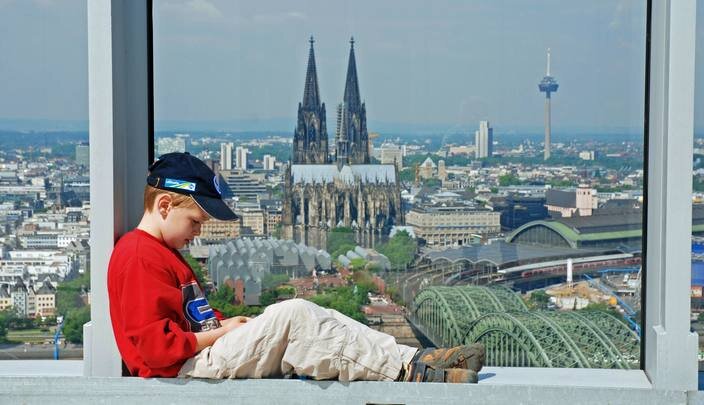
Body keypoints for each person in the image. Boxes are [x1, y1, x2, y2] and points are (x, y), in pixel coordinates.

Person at [107, 152, 484, 383]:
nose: (199, 232)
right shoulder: (140, 255)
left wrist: (226, 324)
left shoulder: (160, 252)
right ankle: (406, 371)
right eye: (196, 222)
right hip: (186, 370)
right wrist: (220, 334)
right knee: (295, 314)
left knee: (308, 315)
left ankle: (412, 358)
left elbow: (191, 321)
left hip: (197, 360)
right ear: (165, 206)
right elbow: (156, 350)